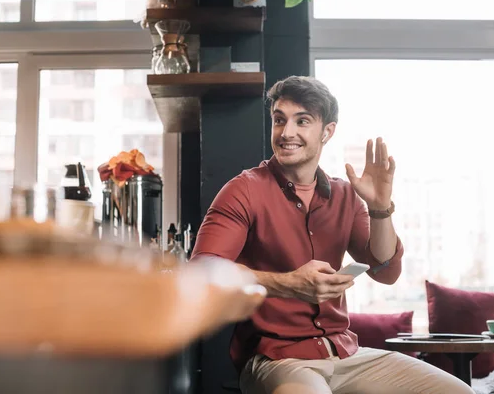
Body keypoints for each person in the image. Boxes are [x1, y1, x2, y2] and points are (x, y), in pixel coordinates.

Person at [190, 76, 474, 394]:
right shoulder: (243, 190)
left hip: (346, 354)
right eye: (279, 120)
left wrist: (380, 208)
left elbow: (385, 271)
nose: (287, 133)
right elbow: (203, 272)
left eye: (303, 121)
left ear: (327, 131)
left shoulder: (345, 195)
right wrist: (288, 284)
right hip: (276, 359)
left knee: (459, 391)